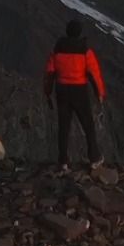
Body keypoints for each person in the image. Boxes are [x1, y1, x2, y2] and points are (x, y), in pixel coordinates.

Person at [43, 18, 106, 168]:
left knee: (64, 126)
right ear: (79, 33)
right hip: (79, 91)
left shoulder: (56, 50)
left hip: (62, 90)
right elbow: (93, 74)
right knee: (88, 125)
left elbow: (49, 73)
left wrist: (47, 93)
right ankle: (94, 158)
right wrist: (100, 93)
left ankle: (63, 160)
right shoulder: (85, 50)